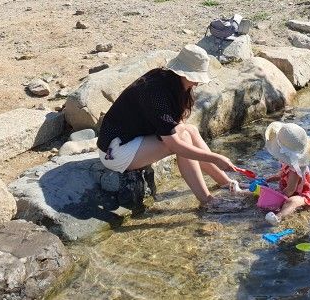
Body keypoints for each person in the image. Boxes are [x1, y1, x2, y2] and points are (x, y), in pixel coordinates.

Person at [97, 44, 242, 207]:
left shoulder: (170, 81)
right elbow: (176, 146)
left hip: (132, 140)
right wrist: (216, 158)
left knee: (191, 130)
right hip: (115, 152)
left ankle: (225, 182)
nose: (196, 84)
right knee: (184, 139)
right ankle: (207, 200)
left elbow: (176, 124)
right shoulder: (155, 93)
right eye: (195, 77)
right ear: (183, 73)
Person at [263, 122, 310, 218]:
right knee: (265, 189)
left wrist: (277, 197)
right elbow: (281, 175)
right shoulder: (287, 162)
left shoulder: (296, 169)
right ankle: (240, 189)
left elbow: (290, 189)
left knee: (292, 201)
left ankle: (278, 217)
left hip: (302, 195)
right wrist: (268, 180)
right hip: (288, 191)